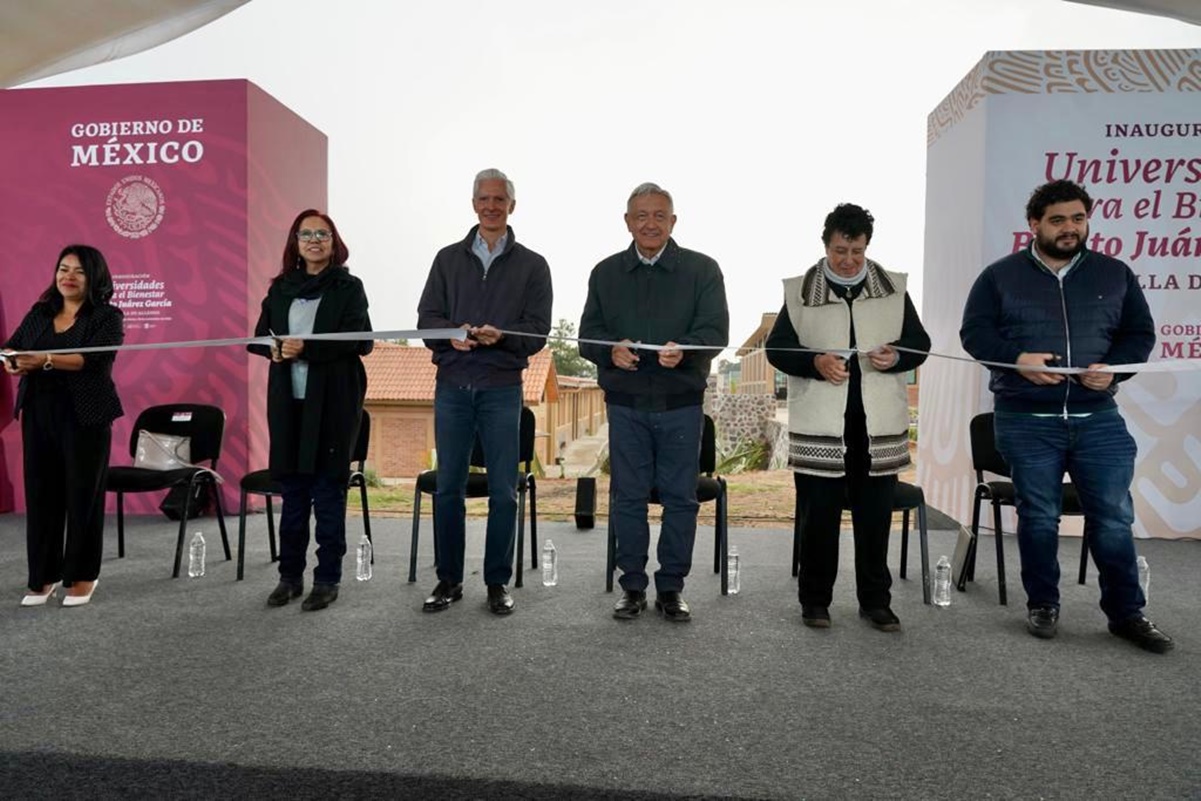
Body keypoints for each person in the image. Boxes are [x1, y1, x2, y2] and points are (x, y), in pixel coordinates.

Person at [961, 179, 1173, 653]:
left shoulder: (1115, 273)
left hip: (1099, 418)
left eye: (1078, 218)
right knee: (1039, 516)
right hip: (1025, 420)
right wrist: (1018, 359)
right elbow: (974, 334)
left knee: (1114, 517)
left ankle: (1127, 614)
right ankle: (1043, 604)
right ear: (1034, 225)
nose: (1070, 228)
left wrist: (1115, 370)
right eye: (1058, 220)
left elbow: (1139, 334)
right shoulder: (999, 277)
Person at [765, 203, 929, 632]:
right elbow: (777, 348)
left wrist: (897, 356)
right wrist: (815, 361)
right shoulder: (800, 291)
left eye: (857, 250)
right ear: (825, 245)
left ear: (867, 246)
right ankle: (815, 601)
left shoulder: (893, 288)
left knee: (874, 520)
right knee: (819, 518)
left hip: (875, 426)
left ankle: (876, 602)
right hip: (822, 424)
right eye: (841, 250)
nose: (849, 260)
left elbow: (920, 343)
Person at [580, 182, 728, 623]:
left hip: (681, 404)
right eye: (641, 215)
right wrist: (610, 350)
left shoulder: (703, 270)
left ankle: (671, 587)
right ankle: (631, 587)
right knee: (628, 498)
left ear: (673, 222)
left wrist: (685, 349)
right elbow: (588, 334)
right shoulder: (605, 273)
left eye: (659, 215)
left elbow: (715, 332)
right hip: (626, 405)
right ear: (627, 222)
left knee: (681, 500)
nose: (650, 223)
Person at [417, 169, 553, 616]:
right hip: (453, 385)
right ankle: (449, 580)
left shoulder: (533, 265)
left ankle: (497, 582)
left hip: (501, 388)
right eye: (484, 198)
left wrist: (504, 336)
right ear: (473, 203)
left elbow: (537, 333)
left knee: (504, 491)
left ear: (512, 205)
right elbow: (426, 321)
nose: (491, 206)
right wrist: (449, 336)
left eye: (500, 199)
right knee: (448, 488)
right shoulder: (447, 259)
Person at [248, 209, 372, 612]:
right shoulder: (281, 288)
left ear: (334, 242)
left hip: (333, 403)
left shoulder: (348, 287)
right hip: (289, 403)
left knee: (327, 492)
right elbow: (258, 339)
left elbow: (362, 341)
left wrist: (308, 347)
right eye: (306, 234)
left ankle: (327, 579)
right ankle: (289, 577)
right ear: (295, 243)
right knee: (294, 493)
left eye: (322, 234)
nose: (314, 240)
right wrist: (277, 347)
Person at [3, 245, 124, 607]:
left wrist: (44, 360)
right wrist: (11, 361)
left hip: (85, 414)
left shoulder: (107, 316)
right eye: (63, 268)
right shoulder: (41, 311)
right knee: (42, 496)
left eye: (78, 271)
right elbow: (10, 347)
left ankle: (83, 575)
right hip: (39, 412)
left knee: (82, 496)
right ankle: (43, 576)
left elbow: (93, 362)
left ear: (94, 277)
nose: (67, 276)